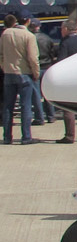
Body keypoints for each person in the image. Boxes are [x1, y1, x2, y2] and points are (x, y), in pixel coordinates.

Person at [1, 13, 41, 144]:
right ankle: (26, 137)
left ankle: (7, 137)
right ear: (28, 21)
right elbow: (33, 58)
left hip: (8, 73)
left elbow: (1, 55)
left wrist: (5, 67)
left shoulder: (5, 34)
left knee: (8, 106)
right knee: (26, 106)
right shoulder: (29, 36)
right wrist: (36, 73)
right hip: (24, 73)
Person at [28, 18, 55, 125]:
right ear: (39, 26)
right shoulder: (47, 38)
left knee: (36, 95)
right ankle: (51, 116)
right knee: (47, 94)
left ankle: (39, 118)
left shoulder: (29, 38)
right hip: (47, 66)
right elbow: (52, 53)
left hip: (35, 68)